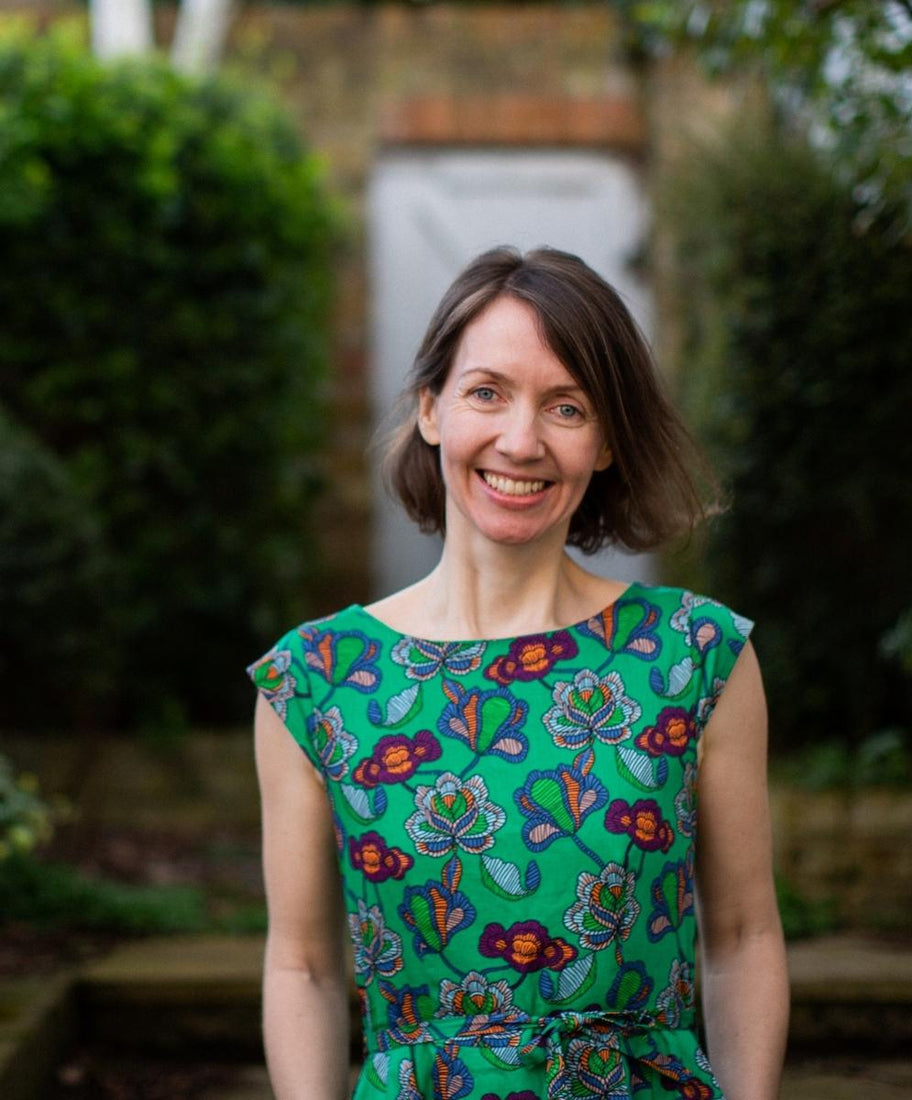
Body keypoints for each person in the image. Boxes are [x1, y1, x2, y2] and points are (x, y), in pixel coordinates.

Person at [248, 246, 789, 1100]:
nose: (521, 440)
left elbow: (744, 934)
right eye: (487, 392)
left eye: (566, 407)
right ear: (431, 410)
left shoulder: (696, 656)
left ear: (607, 441)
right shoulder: (316, 682)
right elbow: (305, 966)